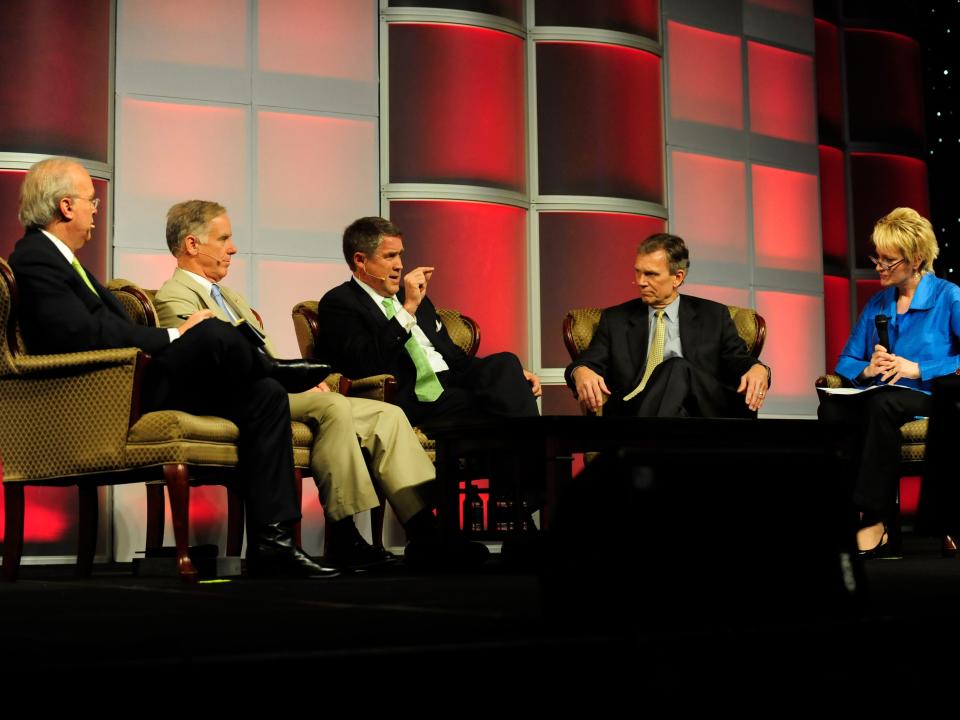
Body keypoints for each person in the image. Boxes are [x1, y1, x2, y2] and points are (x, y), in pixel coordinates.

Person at [8, 157, 338, 579]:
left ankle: (272, 543)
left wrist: (178, 336)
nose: (96, 209)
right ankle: (268, 366)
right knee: (211, 332)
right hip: (106, 392)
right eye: (91, 201)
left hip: (129, 379)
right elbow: (79, 333)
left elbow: (102, 326)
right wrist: (174, 335)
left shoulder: (66, 262)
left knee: (265, 396)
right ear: (66, 207)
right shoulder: (35, 258)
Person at [154, 201, 442, 570]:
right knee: (333, 406)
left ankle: (426, 532)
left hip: (271, 388)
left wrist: (306, 380)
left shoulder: (229, 297)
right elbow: (212, 362)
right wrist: (291, 381)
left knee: (388, 414)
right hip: (238, 396)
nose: (233, 247)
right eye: (224, 238)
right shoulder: (173, 296)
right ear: (192, 245)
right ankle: (344, 532)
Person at [819, 207, 960, 557]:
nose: (879, 267)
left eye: (888, 261)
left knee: (881, 404)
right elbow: (846, 361)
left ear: (915, 260)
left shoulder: (949, 296)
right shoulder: (878, 302)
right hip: (882, 395)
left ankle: (875, 520)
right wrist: (868, 368)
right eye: (877, 258)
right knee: (834, 406)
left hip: (934, 396)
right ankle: (841, 517)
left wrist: (919, 369)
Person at [316, 216, 541, 429]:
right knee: (485, 404)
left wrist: (510, 377)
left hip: (451, 380)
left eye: (400, 255)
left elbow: (455, 358)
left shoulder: (416, 300)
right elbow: (365, 362)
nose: (400, 265)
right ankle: (541, 460)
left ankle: (533, 456)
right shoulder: (340, 303)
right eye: (389, 256)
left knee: (507, 364)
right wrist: (407, 310)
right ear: (360, 261)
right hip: (411, 394)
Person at [565, 232, 770, 418]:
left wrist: (758, 368)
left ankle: (635, 451)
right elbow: (590, 361)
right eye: (638, 272)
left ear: (677, 278)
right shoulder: (616, 319)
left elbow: (738, 359)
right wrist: (580, 370)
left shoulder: (713, 315)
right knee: (676, 411)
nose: (641, 282)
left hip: (704, 411)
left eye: (651, 274)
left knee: (676, 367)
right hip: (636, 408)